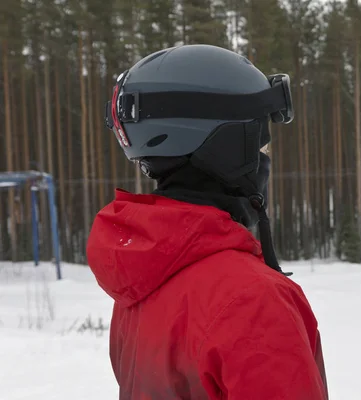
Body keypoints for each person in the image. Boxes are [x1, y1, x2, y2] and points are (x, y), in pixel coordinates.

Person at [86, 44, 328, 400]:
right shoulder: (252, 300)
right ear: (228, 148)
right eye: (261, 143)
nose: (266, 157)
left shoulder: (143, 278)